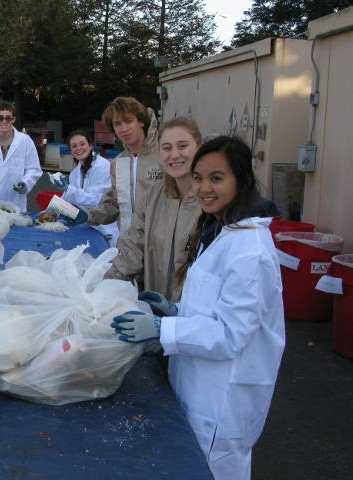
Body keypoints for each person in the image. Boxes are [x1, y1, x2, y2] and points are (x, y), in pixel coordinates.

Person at [112, 136, 284, 479]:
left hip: (221, 401)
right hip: (197, 385)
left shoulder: (250, 250)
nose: (204, 188)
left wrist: (164, 331)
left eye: (217, 178)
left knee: (213, 470)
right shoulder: (223, 230)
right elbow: (216, 308)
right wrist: (174, 312)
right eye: (199, 177)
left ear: (242, 180)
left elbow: (231, 335)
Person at [104, 118, 202, 301]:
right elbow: (133, 245)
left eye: (182, 146)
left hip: (194, 319)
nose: (174, 155)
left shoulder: (208, 200)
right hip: (156, 306)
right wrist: (106, 287)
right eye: (166, 148)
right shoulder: (153, 195)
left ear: (199, 147)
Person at [65, 97, 162, 240]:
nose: (123, 128)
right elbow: (114, 204)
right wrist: (89, 215)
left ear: (141, 121)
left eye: (128, 120)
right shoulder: (118, 163)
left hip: (160, 243)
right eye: (117, 124)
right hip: (129, 243)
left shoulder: (163, 155)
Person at [51, 130, 119, 246]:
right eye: (74, 146)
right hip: (86, 227)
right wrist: (53, 209)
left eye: (82, 144)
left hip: (103, 229)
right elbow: (69, 198)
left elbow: (97, 200)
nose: (79, 148)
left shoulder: (102, 167)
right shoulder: (75, 172)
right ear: (71, 150)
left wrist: (68, 189)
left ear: (90, 145)